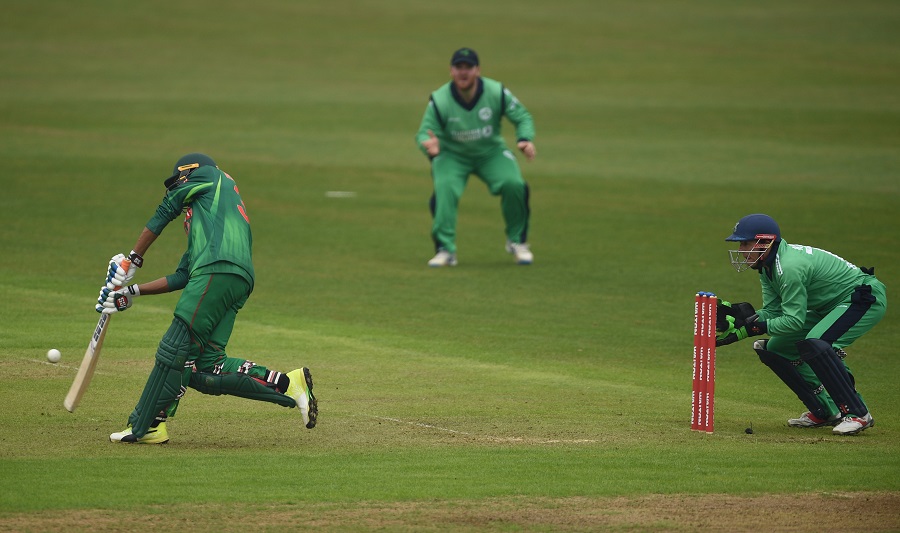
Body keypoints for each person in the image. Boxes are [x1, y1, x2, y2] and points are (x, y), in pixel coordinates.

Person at [96, 153, 317, 444]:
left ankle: (145, 425)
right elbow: (183, 275)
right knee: (206, 367)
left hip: (217, 271)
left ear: (189, 172)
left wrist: (132, 260)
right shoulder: (213, 218)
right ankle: (288, 384)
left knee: (175, 347)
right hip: (236, 280)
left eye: (178, 182)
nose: (177, 190)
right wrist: (131, 291)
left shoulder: (211, 175)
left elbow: (166, 209)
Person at [716, 213, 886, 436]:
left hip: (862, 299)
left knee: (817, 343)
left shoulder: (789, 267)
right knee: (776, 348)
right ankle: (826, 410)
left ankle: (858, 413)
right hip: (830, 307)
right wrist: (742, 321)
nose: (741, 250)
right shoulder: (767, 267)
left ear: (765, 242)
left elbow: (794, 321)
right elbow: (774, 311)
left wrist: (752, 328)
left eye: (745, 243)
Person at [415, 47, 537, 267]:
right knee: (445, 189)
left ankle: (517, 242)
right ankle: (445, 250)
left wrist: (525, 139)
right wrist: (429, 146)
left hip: (490, 152)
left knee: (514, 184)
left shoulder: (496, 91)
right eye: (458, 67)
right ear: (451, 71)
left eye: (468, 68)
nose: (463, 72)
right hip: (452, 155)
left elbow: (522, 116)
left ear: (477, 70)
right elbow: (424, 132)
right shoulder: (440, 99)